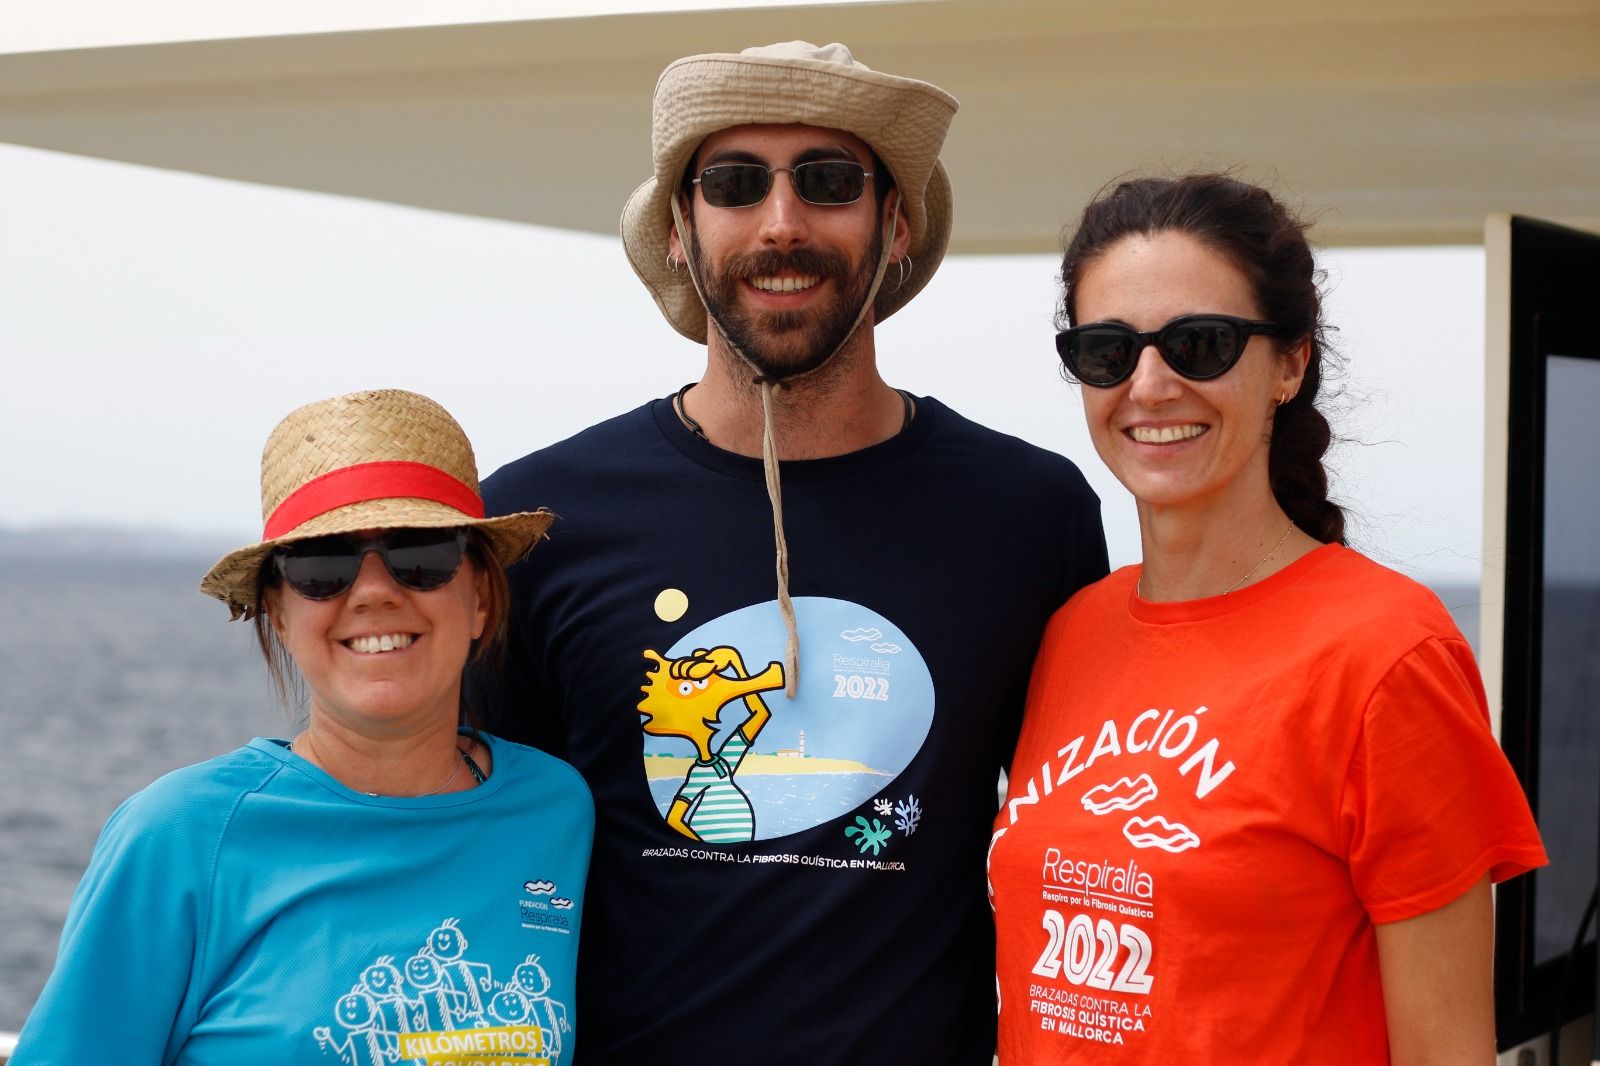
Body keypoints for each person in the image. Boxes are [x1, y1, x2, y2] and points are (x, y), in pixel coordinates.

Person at [476, 41, 1108, 1064]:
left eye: (827, 181)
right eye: (733, 184)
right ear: (680, 229)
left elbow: (1085, 837)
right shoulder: (542, 521)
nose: (781, 223)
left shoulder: (1028, 516)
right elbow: (479, 850)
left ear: (893, 223)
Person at [988, 174, 1547, 1063]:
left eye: (1200, 344)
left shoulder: (1388, 654)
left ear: (1290, 363)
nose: (1150, 384)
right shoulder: (1072, 632)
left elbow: (1447, 1051)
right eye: (1107, 351)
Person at [13, 389, 594, 1065]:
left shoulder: (555, 811)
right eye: (324, 565)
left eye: (420, 554)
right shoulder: (180, 836)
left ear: (481, 599)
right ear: (279, 614)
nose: (374, 592)